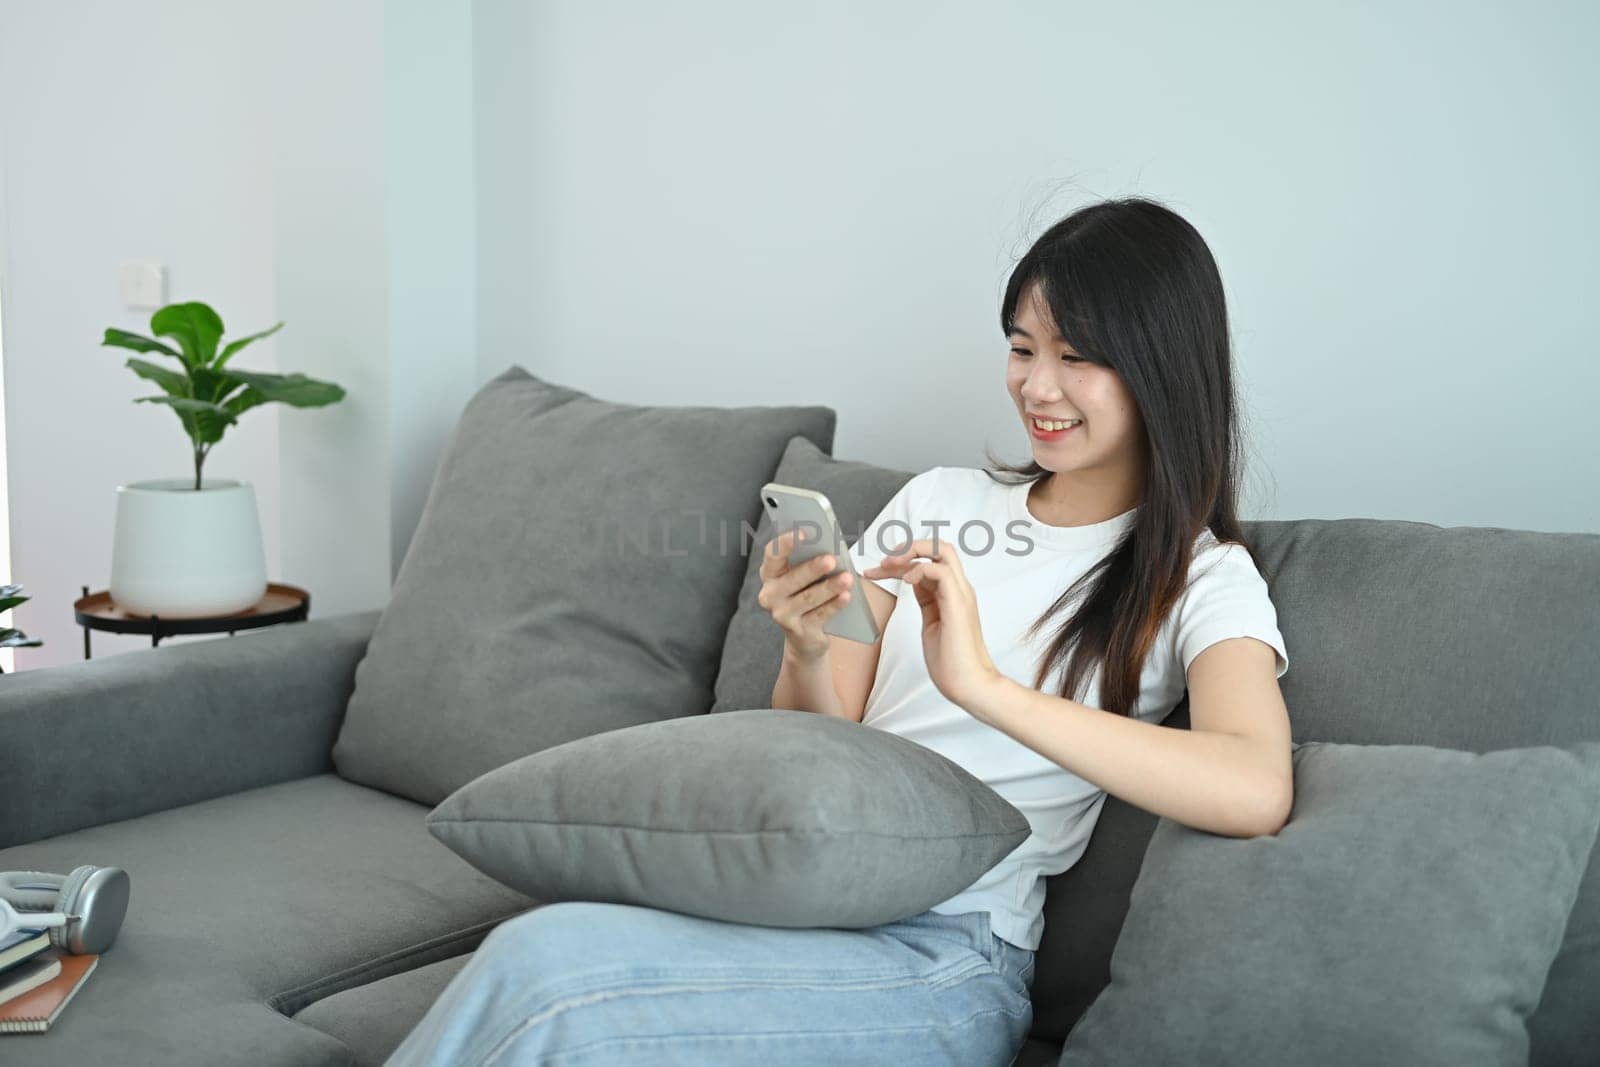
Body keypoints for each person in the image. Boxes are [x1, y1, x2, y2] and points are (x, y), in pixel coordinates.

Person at [384, 196, 1292, 1066]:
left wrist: (984, 688)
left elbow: (1254, 785)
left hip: (947, 959)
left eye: (1076, 355)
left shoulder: (1200, 576)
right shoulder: (941, 502)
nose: (1036, 385)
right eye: (1021, 347)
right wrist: (807, 646)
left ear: (1162, 365)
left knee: (554, 989)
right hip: (810, 902)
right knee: (537, 948)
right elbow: (825, 739)